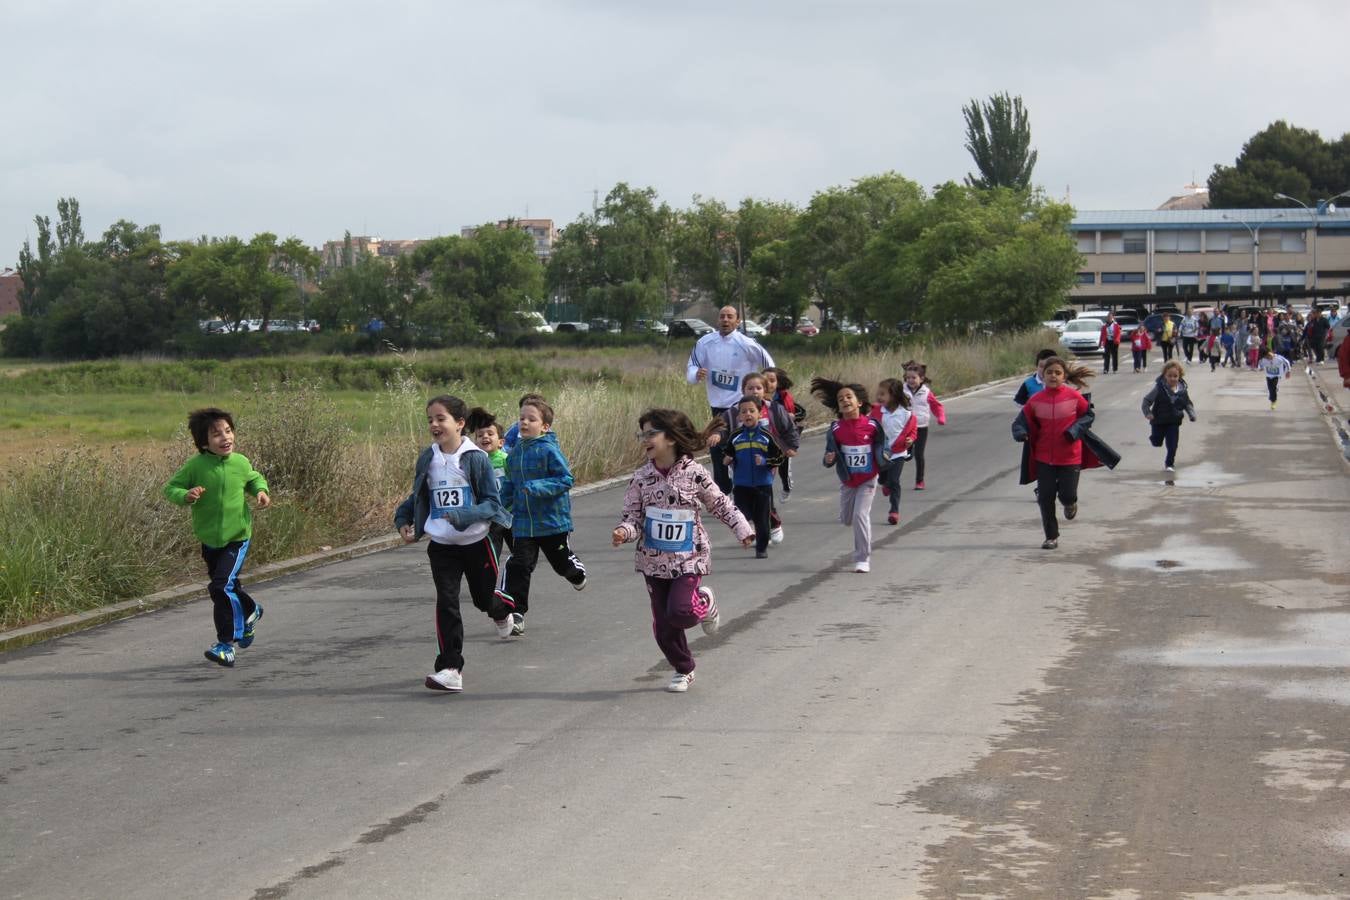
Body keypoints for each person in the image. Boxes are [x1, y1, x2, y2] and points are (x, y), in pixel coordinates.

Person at [612, 409, 753, 693]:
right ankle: (684, 668)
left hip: (689, 558)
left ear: (672, 439)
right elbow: (633, 518)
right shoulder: (641, 478)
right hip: (653, 562)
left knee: (681, 611)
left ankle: (704, 601)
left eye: (652, 433)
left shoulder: (694, 473)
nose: (645, 439)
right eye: (643, 434)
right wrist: (623, 532)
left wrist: (742, 528)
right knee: (664, 626)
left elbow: (720, 504)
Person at [394, 395, 515, 692]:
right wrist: (403, 520)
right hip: (442, 545)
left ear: (460, 424)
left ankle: (501, 611)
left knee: (482, 599)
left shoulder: (476, 458)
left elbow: (492, 505)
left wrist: (464, 515)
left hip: (476, 542)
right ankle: (450, 667)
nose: (434, 425)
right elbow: (419, 496)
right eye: (430, 420)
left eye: (441, 419)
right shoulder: (428, 458)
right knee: (446, 601)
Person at [163, 408, 272, 668]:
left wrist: (261, 491)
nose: (225, 438)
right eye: (216, 435)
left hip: (237, 536)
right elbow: (170, 488)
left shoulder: (240, 462)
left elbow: (253, 478)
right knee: (225, 587)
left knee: (221, 586)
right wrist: (185, 495)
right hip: (210, 539)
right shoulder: (196, 466)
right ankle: (250, 610)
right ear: (203, 442)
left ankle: (226, 645)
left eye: (228, 431)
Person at [498, 397, 588, 635]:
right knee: (520, 565)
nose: (524, 423)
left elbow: (565, 479)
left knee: (560, 564)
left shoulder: (549, 450)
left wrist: (537, 487)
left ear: (545, 426)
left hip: (552, 523)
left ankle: (575, 572)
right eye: (521, 418)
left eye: (531, 419)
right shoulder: (515, 454)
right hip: (524, 525)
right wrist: (497, 507)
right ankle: (517, 613)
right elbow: (509, 485)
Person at [1011, 358, 1100, 550]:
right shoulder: (1035, 400)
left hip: (1070, 457)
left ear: (1064, 376)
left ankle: (1070, 503)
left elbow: (1088, 416)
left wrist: (1075, 430)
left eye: (1058, 373)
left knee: (1067, 495)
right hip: (1044, 458)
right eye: (1049, 372)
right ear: (1042, 375)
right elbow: (1019, 422)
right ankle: (1051, 536)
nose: (1053, 375)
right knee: (1045, 497)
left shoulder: (1074, 397)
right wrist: (1020, 432)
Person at [686, 305, 775, 493]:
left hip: (740, 407)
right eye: (722, 316)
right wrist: (697, 374)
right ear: (717, 320)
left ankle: (745, 487)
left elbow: (769, 364)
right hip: (717, 408)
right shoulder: (705, 343)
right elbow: (691, 368)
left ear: (737, 321)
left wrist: (766, 388)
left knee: (741, 448)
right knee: (716, 450)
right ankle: (723, 491)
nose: (725, 320)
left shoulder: (747, 343)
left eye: (730, 317)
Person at [812, 377, 888, 573]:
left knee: (860, 515)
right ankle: (847, 514)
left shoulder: (872, 425)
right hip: (848, 480)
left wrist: (884, 456)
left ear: (859, 402)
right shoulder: (836, 429)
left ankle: (863, 558)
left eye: (849, 397)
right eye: (840, 399)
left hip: (868, 478)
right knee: (847, 519)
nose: (845, 401)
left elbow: (882, 444)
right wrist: (829, 459)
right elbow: (829, 455)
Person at [723, 396, 782, 558]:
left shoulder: (766, 436)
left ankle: (761, 548)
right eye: (743, 412)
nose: (747, 414)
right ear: (739, 417)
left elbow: (778, 457)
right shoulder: (735, 436)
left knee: (761, 519)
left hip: (762, 485)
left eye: (751, 411)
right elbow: (728, 454)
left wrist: (764, 461)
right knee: (742, 515)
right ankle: (749, 535)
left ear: (760, 414)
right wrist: (727, 459)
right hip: (741, 484)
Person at [466, 407, 513, 567]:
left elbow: (515, 482)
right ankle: (489, 581)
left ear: (501, 442)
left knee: (520, 552)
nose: (485, 437)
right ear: (475, 442)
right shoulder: (476, 462)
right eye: (480, 435)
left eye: (490, 434)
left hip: (510, 512)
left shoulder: (506, 459)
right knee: (492, 552)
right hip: (491, 515)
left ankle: (515, 579)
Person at [872, 377, 918, 526]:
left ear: (894, 395)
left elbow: (913, 430)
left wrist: (911, 439)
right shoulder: (876, 411)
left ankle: (894, 511)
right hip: (881, 453)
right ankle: (885, 483)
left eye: (883, 394)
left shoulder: (906, 414)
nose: (879, 397)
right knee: (882, 479)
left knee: (895, 481)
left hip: (898, 453)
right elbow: (868, 425)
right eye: (878, 393)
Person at [1141, 361, 1197, 472]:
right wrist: (1148, 413)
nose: (1172, 379)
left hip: (1173, 421)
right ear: (1164, 375)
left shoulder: (1182, 390)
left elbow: (1187, 404)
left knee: (1173, 445)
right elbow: (1146, 401)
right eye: (1169, 376)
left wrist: (1192, 415)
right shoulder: (1159, 388)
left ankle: (1169, 464)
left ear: (1179, 376)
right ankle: (1155, 439)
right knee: (1157, 442)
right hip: (1158, 421)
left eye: (1175, 376)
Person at [762, 366, 806, 499]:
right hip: (764, 440)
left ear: (778, 383)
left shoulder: (784, 398)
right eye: (765, 380)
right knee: (766, 470)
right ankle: (765, 499)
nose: (768, 383)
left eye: (772, 380)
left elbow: (801, 412)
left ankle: (787, 486)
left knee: (783, 469)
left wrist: (790, 416)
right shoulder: (756, 397)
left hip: (783, 440)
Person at [902, 363, 946, 490]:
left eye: (913, 378)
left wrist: (940, 417)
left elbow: (937, 406)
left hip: (921, 427)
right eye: (908, 378)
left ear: (921, 379)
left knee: (919, 455)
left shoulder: (926, 392)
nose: (910, 380)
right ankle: (890, 480)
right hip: (905, 427)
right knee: (901, 455)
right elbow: (891, 404)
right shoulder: (901, 391)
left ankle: (919, 481)